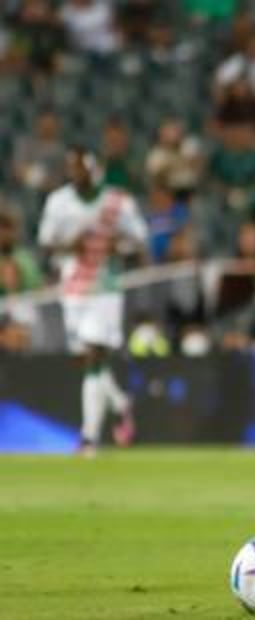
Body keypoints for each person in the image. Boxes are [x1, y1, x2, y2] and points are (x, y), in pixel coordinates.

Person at [37, 147, 148, 456]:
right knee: (87, 360)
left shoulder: (117, 201)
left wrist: (120, 244)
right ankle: (121, 403)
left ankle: (89, 438)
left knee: (94, 355)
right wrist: (67, 245)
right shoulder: (58, 202)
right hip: (73, 285)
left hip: (106, 286)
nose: (76, 173)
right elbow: (45, 243)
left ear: (92, 168)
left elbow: (140, 239)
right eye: (71, 168)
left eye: (80, 167)